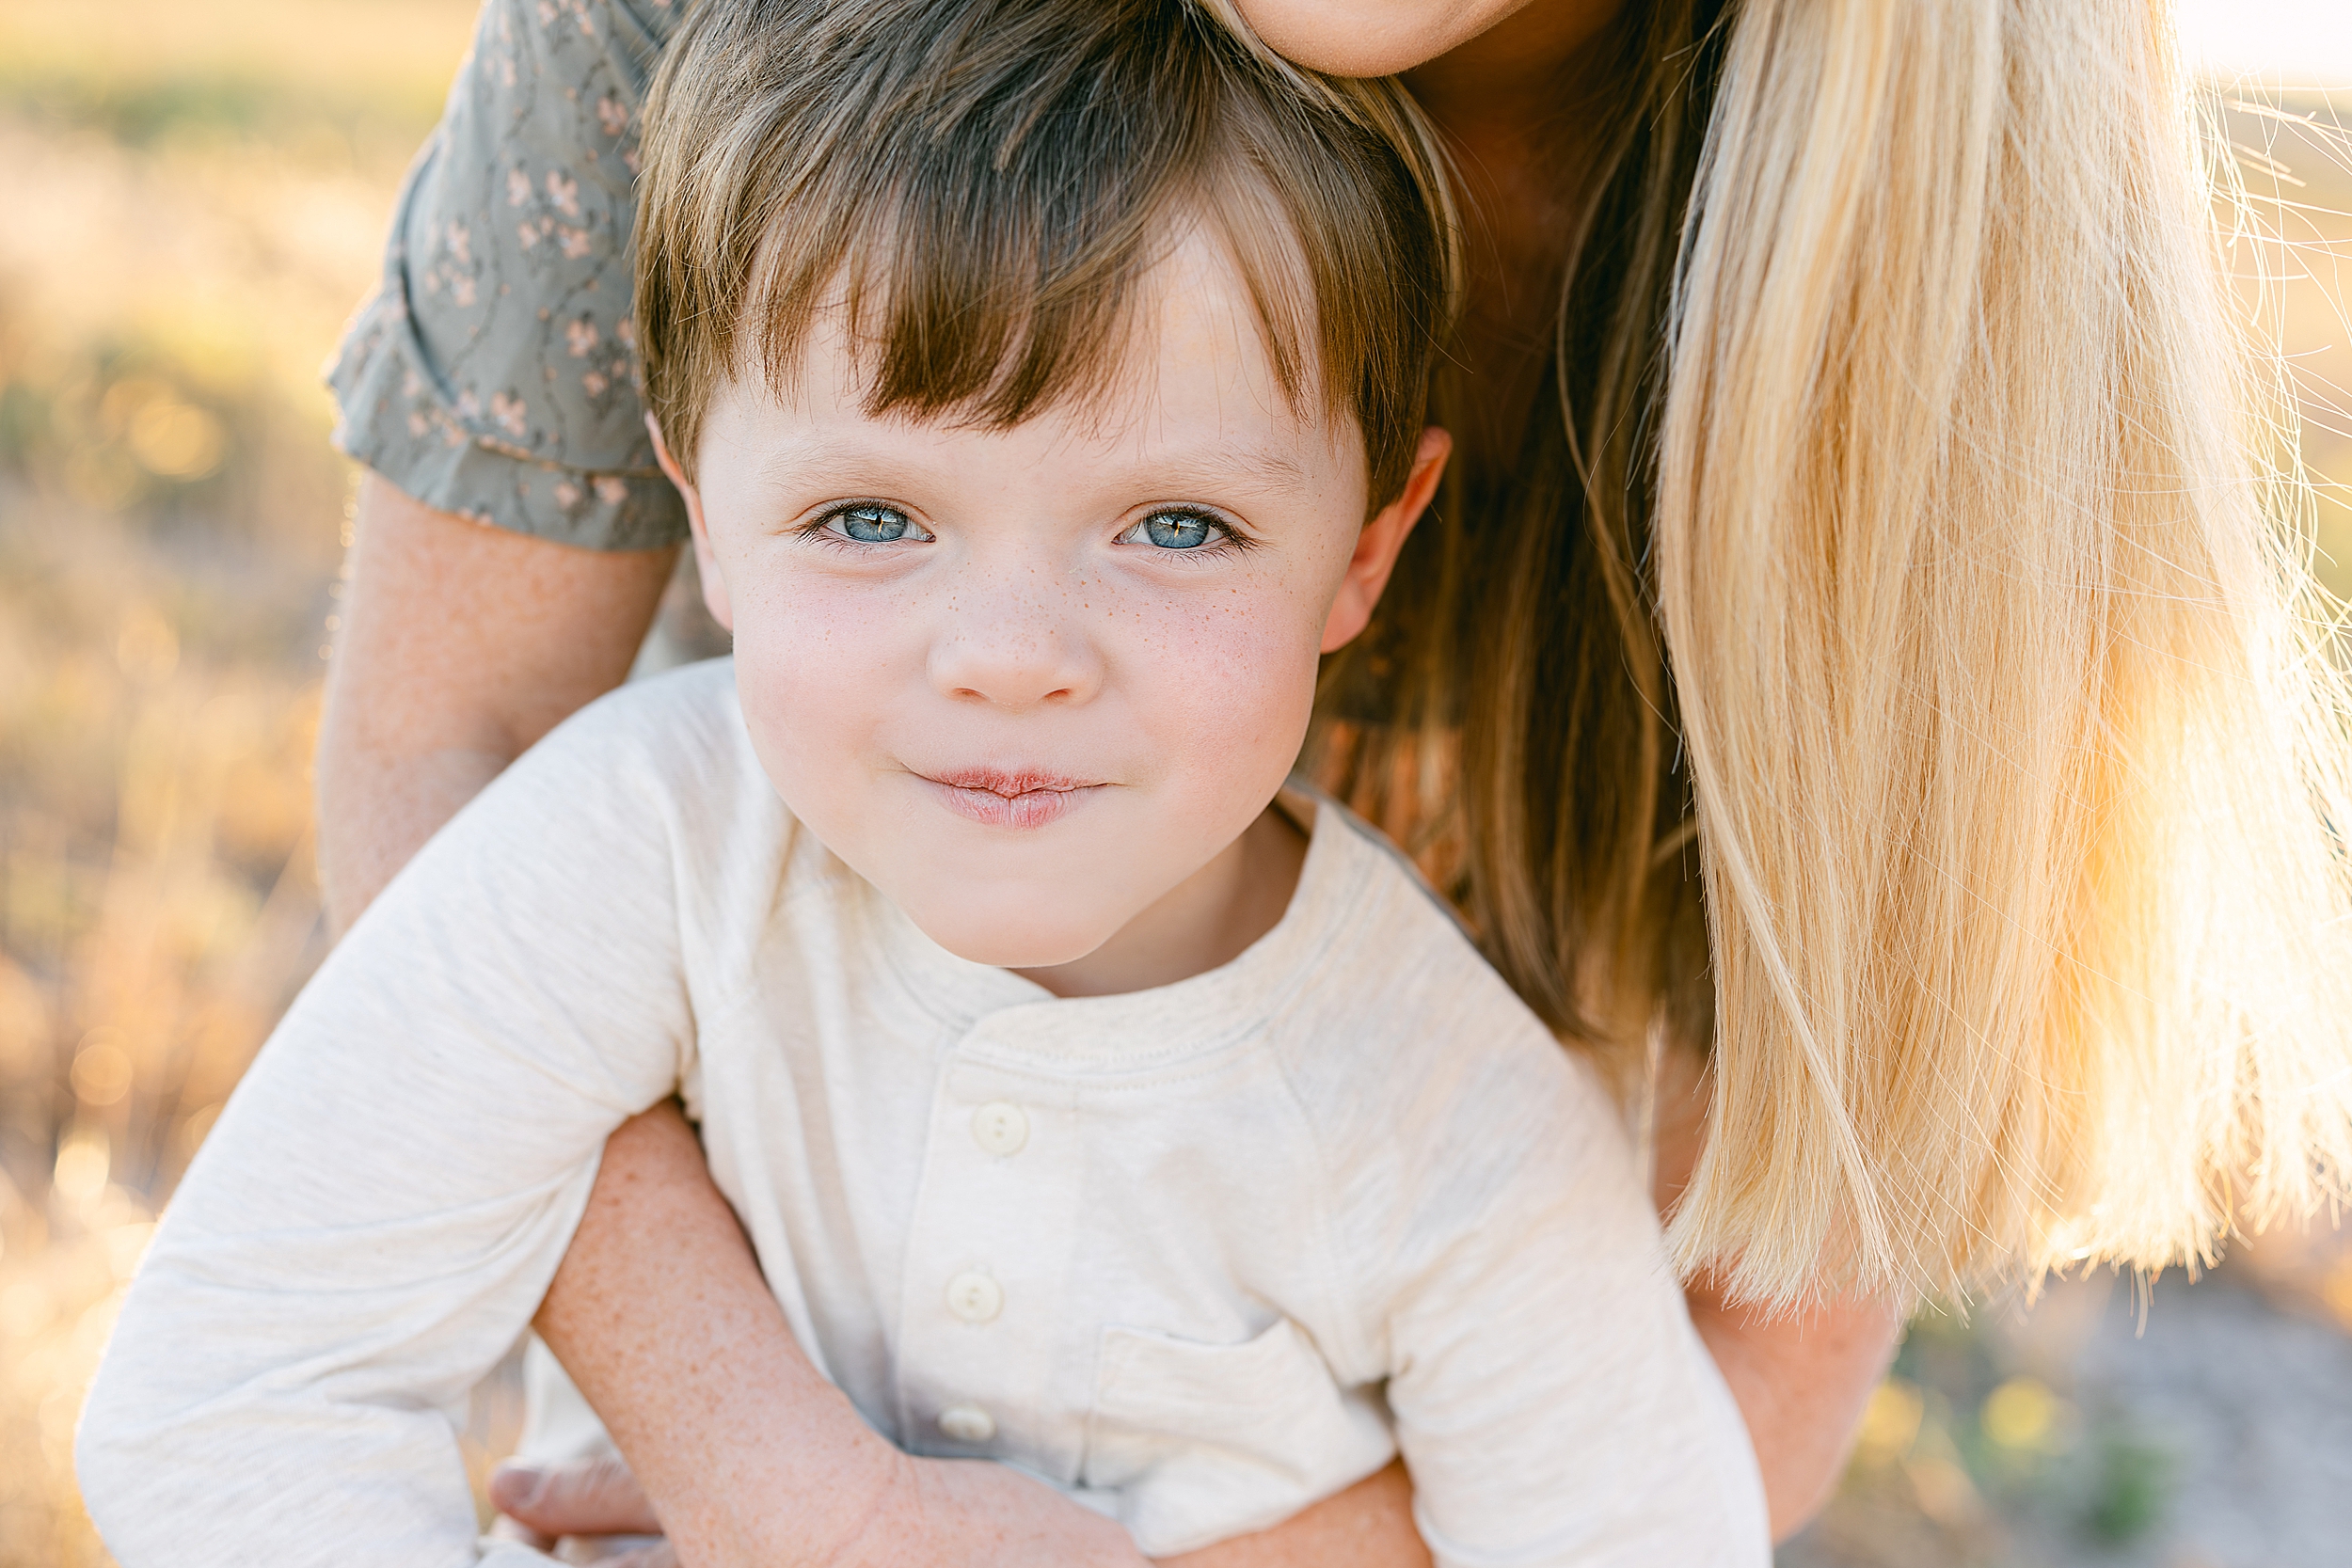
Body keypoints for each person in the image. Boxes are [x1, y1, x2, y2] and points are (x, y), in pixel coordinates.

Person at [314, 0, 2352, 1561]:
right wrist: (779, 1477)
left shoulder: (1935, 206)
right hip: (777, 1322)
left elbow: (1742, 1371)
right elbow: (447, 746)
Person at [74, 3, 1776, 1564]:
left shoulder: (1455, 1124)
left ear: (1367, 548)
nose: (1012, 653)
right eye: (870, 519)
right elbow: (231, 1389)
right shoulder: (638, 856)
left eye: (1177, 525)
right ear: (704, 510)